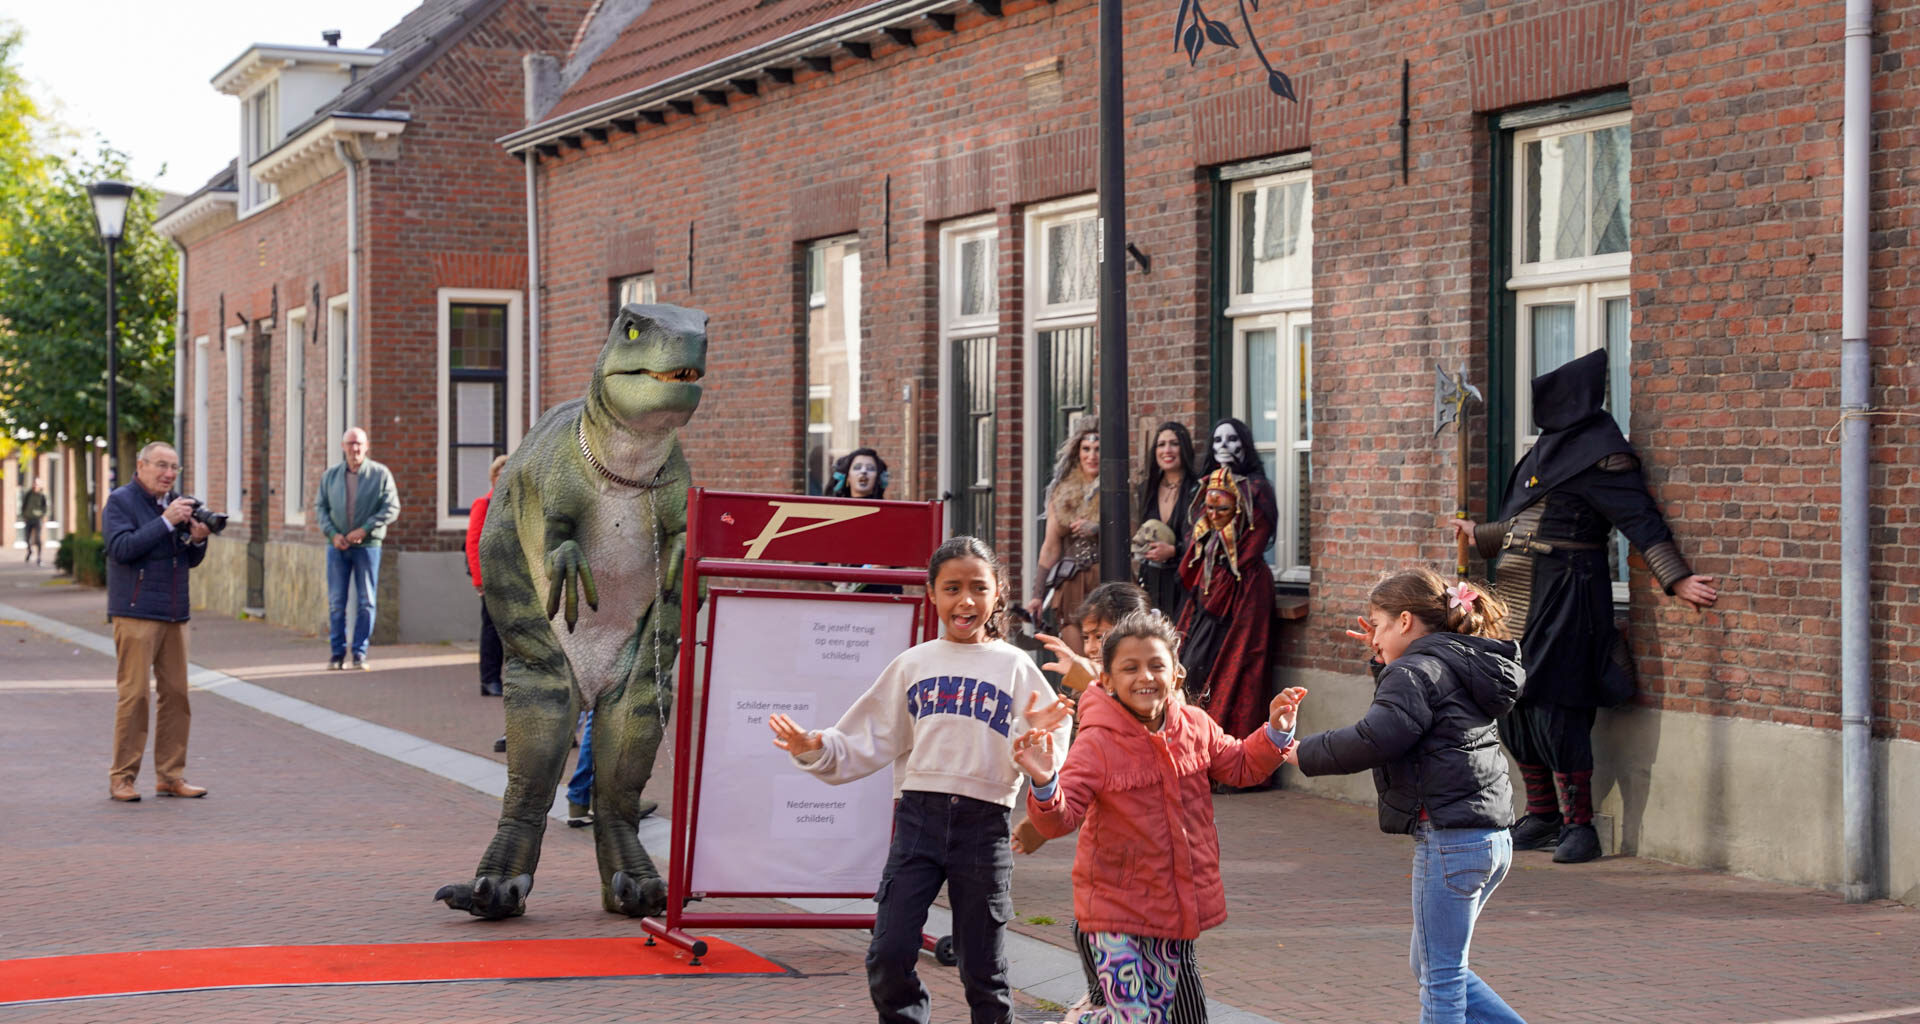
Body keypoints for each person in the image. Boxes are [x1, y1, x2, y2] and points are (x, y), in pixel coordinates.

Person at [769, 536, 1073, 1024]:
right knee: (888, 952)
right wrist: (818, 748)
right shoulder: (913, 664)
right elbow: (868, 734)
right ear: (932, 593)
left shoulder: (1015, 666)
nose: (966, 600)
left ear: (999, 592)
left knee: (983, 969)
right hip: (917, 822)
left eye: (979, 587)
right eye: (952, 588)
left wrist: (1040, 756)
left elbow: (1047, 734)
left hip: (984, 825)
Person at [1447, 350, 1719, 863]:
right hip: (1516, 598)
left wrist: (1676, 578)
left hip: (1570, 596)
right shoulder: (1547, 451)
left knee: (1558, 704)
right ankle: (1543, 814)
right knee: (1513, 702)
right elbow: (1528, 524)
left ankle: (1580, 827)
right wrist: (1478, 534)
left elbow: (1640, 520)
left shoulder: (1601, 453)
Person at [1016, 612, 1306, 1024]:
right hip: (1112, 913)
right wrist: (1045, 780)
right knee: (1134, 1017)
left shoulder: (1196, 725)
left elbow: (1241, 766)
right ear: (1108, 681)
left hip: (1171, 910)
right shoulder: (1096, 742)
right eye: (1129, 668)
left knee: (1155, 1016)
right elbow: (1060, 819)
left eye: (1156, 665)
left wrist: (1276, 731)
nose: (1144, 676)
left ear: (1175, 674)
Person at [1285, 568, 1528, 1024]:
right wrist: (1385, 664)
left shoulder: (1415, 671)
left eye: (1376, 625)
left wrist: (1305, 753)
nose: (1372, 637)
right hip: (1490, 839)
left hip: (1450, 841)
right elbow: (1417, 714)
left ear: (1404, 620)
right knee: (1435, 966)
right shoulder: (1455, 661)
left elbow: (1379, 735)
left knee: (1441, 978)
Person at [103, 442, 212, 802]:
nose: (168, 474)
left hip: (175, 614)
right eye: (161, 466)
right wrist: (165, 522)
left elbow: (186, 559)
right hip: (135, 614)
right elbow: (121, 549)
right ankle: (122, 778)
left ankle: (170, 775)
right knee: (134, 697)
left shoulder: (178, 503)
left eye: (174, 468)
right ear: (141, 465)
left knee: (177, 697)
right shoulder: (121, 501)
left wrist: (196, 541)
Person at [1176, 463, 1276, 745]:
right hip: (1205, 617)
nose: (1215, 516)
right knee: (1191, 669)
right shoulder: (1207, 548)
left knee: (1233, 677)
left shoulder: (1252, 572)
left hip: (1237, 616)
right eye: (1210, 509)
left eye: (1223, 510)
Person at [314, 427, 401, 670]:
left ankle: (360, 652)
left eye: (359, 444)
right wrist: (332, 534)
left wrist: (366, 529)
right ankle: (337, 654)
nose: (355, 448)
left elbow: (392, 507)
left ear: (367, 446)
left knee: (367, 601)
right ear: (343, 447)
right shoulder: (330, 476)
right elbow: (320, 507)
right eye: (350, 443)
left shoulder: (380, 474)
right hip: (337, 547)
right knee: (336, 601)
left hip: (368, 547)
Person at [1030, 416, 1101, 654]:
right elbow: (1050, 547)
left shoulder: (1120, 488)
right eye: (1086, 449)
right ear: (1077, 453)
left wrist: (1098, 530)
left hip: (1105, 579)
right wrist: (1037, 595)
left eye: (1098, 449)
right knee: (1075, 661)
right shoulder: (1061, 492)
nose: (1092, 455)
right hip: (1071, 584)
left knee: (1103, 658)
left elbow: (1133, 535)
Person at [1134, 422, 1199, 620]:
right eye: (1161, 445)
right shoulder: (1146, 489)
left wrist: (1174, 551)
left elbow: (1204, 540)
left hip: (1184, 583)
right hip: (1152, 583)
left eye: (1174, 444)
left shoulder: (1197, 490)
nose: (1167, 450)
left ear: (1184, 448)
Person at [467, 455, 509, 698]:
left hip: (515, 577)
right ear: (493, 478)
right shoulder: (483, 505)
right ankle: (489, 679)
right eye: (500, 474)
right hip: (492, 578)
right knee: (492, 630)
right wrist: (479, 580)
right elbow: (473, 544)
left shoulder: (518, 505)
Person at [19, 475, 47, 566]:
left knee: (38, 539)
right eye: (34, 483)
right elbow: (23, 505)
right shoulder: (28, 494)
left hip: (37, 519)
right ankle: (30, 551)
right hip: (29, 518)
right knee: (27, 538)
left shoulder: (42, 496)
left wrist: (42, 516)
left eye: (37, 484)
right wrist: (24, 516)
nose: (35, 485)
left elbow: (45, 508)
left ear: (40, 485)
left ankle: (39, 558)